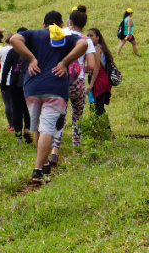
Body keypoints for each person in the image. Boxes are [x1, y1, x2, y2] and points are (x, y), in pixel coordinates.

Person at [7, 11, 89, 184]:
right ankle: (37, 171)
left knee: (37, 128)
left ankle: (44, 166)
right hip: (55, 87)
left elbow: (13, 39)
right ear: (60, 24)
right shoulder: (64, 36)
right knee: (48, 130)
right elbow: (84, 43)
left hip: (32, 87)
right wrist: (64, 62)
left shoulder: (33, 34)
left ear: (43, 24)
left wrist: (31, 59)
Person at [51, 6, 97, 165]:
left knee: (59, 115)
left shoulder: (60, 33)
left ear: (69, 21)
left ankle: (54, 150)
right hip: (77, 81)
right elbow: (91, 65)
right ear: (84, 24)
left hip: (59, 78)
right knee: (77, 115)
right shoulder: (86, 40)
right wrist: (78, 67)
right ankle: (76, 150)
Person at [2, 28, 32, 143]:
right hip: (29, 83)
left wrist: (3, 86)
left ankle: (18, 136)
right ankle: (27, 128)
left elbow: (5, 71)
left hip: (15, 83)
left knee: (17, 110)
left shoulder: (12, 51)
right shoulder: (32, 50)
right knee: (28, 108)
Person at [86, 27, 115, 121]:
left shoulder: (96, 49)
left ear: (97, 37)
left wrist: (91, 84)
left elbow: (96, 67)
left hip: (99, 80)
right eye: (88, 35)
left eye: (91, 35)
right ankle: (103, 131)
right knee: (98, 107)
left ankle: (108, 132)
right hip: (103, 79)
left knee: (99, 108)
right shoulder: (100, 47)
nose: (89, 37)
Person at [0, 43, 15, 131]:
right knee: (16, 103)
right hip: (17, 79)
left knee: (8, 103)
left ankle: (11, 125)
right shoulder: (18, 49)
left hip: (5, 80)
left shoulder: (2, 50)